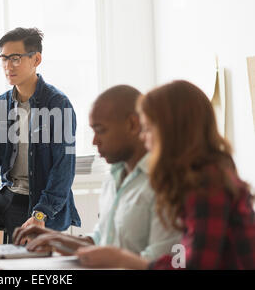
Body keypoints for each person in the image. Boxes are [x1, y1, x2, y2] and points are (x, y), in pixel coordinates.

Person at [73, 80, 255, 269]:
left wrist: (121, 258)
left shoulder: (207, 182)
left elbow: (195, 265)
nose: (143, 137)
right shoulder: (199, 177)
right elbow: (181, 258)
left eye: (148, 129)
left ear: (172, 132)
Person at [13, 85, 181, 261]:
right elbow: (102, 240)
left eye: (101, 130)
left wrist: (110, 256)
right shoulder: (113, 178)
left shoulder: (165, 184)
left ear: (133, 124)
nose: (94, 141)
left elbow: (163, 262)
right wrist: (55, 238)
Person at [0, 27, 80, 246]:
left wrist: (41, 214)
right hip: (7, 195)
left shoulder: (57, 104)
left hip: (38, 204)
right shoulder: (1, 104)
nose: (8, 66)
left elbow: (63, 168)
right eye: (4, 59)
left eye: (16, 58)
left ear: (36, 59)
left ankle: (1, 260)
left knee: (23, 263)